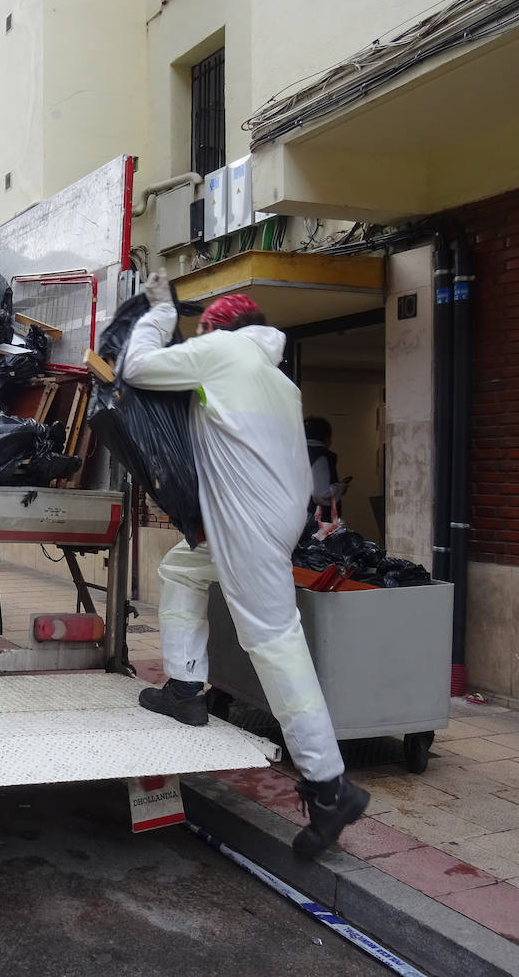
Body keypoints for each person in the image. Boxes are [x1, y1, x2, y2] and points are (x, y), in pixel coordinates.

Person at [117, 273, 368, 856]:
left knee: (276, 641)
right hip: (269, 521)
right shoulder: (278, 378)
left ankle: (330, 785)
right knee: (183, 570)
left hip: (249, 529)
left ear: (216, 329)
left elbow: (138, 369)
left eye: (201, 334)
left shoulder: (221, 350)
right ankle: (184, 688)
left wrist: (159, 311)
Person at [305, 415, 348, 524]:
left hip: (295, 522)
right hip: (316, 524)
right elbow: (320, 494)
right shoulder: (320, 456)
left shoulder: (293, 455)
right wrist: (340, 488)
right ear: (327, 438)